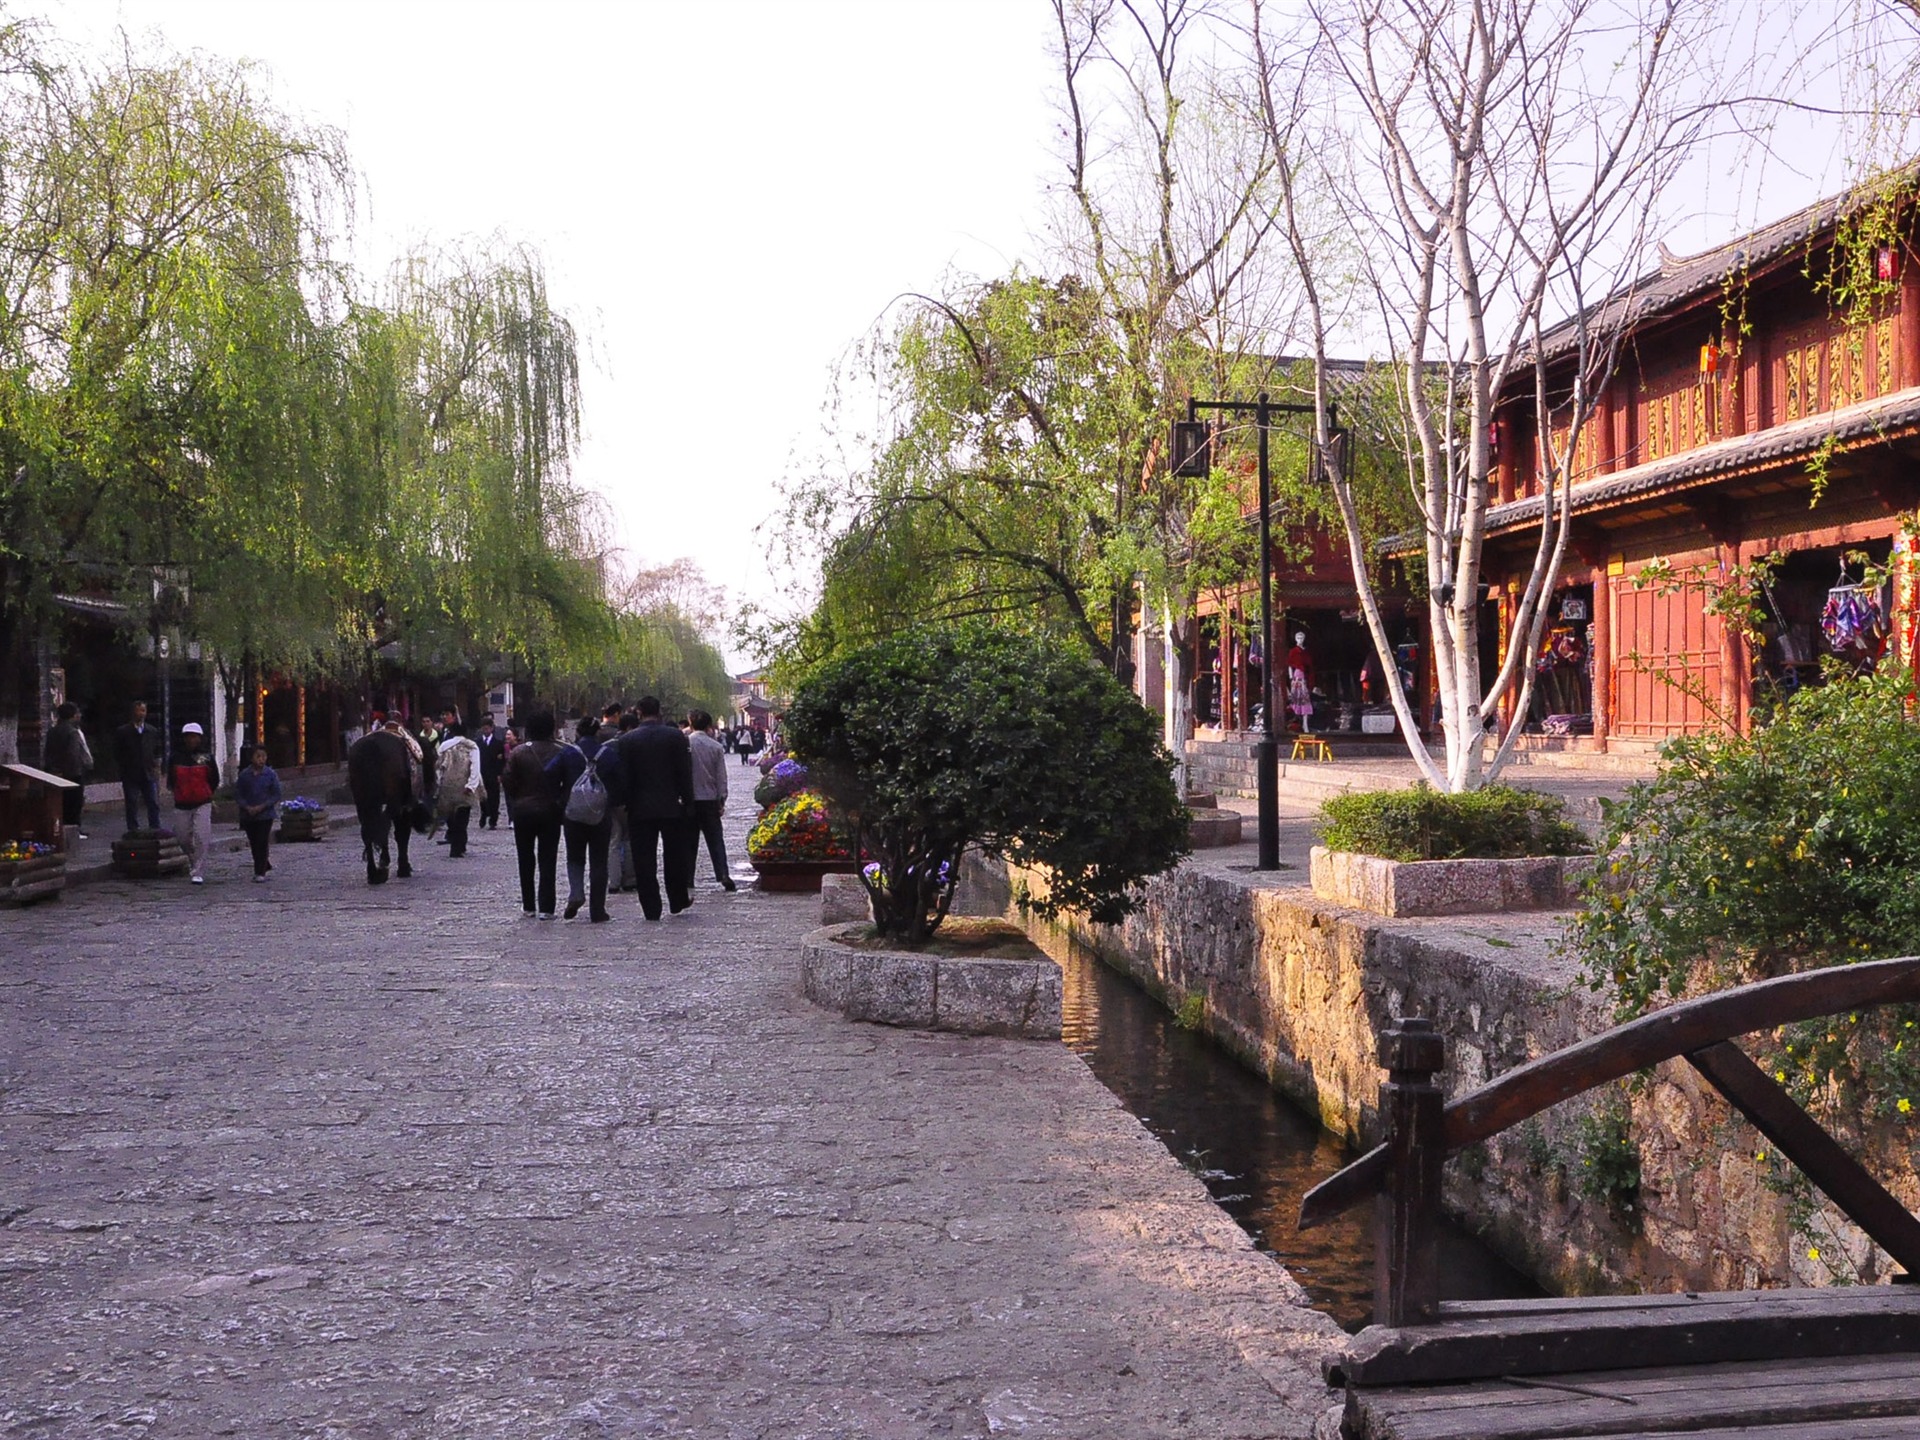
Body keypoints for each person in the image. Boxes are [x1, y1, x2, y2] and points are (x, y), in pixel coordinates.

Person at [609, 695, 695, 921]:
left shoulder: (628, 740)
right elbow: (684, 773)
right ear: (659, 711)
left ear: (639, 712)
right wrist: (688, 801)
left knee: (643, 859)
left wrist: (624, 801)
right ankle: (676, 900)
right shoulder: (675, 736)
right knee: (674, 856)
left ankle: (651, 907)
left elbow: (624, 777)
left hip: (639, 808)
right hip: (670, 805)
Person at [547, 714, 620, 922]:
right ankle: (598, 909)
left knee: (575, 856)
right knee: (599, 860)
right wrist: (610, 800)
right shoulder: (607, 753)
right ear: (598, 732)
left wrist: (560, 797)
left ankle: (576, 892)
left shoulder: (568, 752)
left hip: (573, 813)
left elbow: (549, 772)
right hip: (600, 813)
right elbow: (620, 779)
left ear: (577, 732)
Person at [501, 710, 564, 917]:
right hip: (550, 810)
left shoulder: (518, 753)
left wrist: (519, 797)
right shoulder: (560, 751)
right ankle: (547, 906)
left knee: (525, 857)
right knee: (548, 858)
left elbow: (508, 781)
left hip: (523, 810)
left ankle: (528, 905)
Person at [683, 710, 736, 892]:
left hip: (689, 799)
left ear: (690, 723)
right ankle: (722, 874)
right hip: (710, 800)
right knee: (715, 839)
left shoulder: (685, 744)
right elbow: (721, 777)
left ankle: (688, 878)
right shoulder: (715, 747)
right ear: (709, 725)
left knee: (689, 841)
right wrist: (722, 799)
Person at [168, 723, 221, 885]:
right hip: (182, 803)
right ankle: (192, 858)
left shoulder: (207, 757)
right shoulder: (175, 757)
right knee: (183, 837)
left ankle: (198, 870)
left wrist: (207, 793)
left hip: (202, 802)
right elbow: (171, 779)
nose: (192, 739)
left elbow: (214, 779)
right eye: (189, 736)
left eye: (195, 736)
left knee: (201, 836)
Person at [42, 702, 93, 840]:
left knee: (60, 804)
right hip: (72, 774)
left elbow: (48, 752)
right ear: (73, 715)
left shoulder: (52, 731)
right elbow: (73, 754)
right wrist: (77, 770)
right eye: (77, 713)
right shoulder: (72, 732)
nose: (79, 716)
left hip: (55, 772)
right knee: (74, 804)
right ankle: (74, 831)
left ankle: (61, 830)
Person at [112, 701, 164, 833]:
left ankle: (155, 826)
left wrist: (156, 766)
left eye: (143, 710)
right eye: (138, 710)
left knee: (152, 801)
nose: (141, 713)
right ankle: (133, 828)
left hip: (148, 771)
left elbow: (156, 750)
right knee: (131, 801)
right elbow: (117, 752)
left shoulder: (151, 731)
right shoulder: (123, 731)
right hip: (130, 772)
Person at [233, 745, 283, 882]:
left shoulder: (270, 774)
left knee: (262, 840)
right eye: (258, 756)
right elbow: (238, 794)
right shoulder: (244, 775)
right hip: (248, 815)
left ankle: (259, 871)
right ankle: (263, 862)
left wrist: (263, 806)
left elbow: (276, 794)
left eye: (264, 756)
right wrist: (246, 806)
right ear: (251, 758)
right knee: (254, 842)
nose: (261, 760)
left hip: (265, 814)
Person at [435, 721, 483, 858]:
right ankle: (459, 845)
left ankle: (455, 842)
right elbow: (475, 767)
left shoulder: (444, 746)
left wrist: (439, 783)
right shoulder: (471, 747)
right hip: (464, 785)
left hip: (447, 786)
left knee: (450, 816)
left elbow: (438, 766)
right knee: (463, 817)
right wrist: (472, 785)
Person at [476, 716, 507, 829]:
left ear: (492, 728)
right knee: (482, 797)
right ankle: (484, 814)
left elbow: (501, 760)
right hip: (482, 773)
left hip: (494, 774)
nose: (486, 731)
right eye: (484, 729)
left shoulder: (498, 743)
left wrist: (500, 774)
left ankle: (493, 819)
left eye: (488, 728)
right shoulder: (478, 743)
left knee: (494, 797)